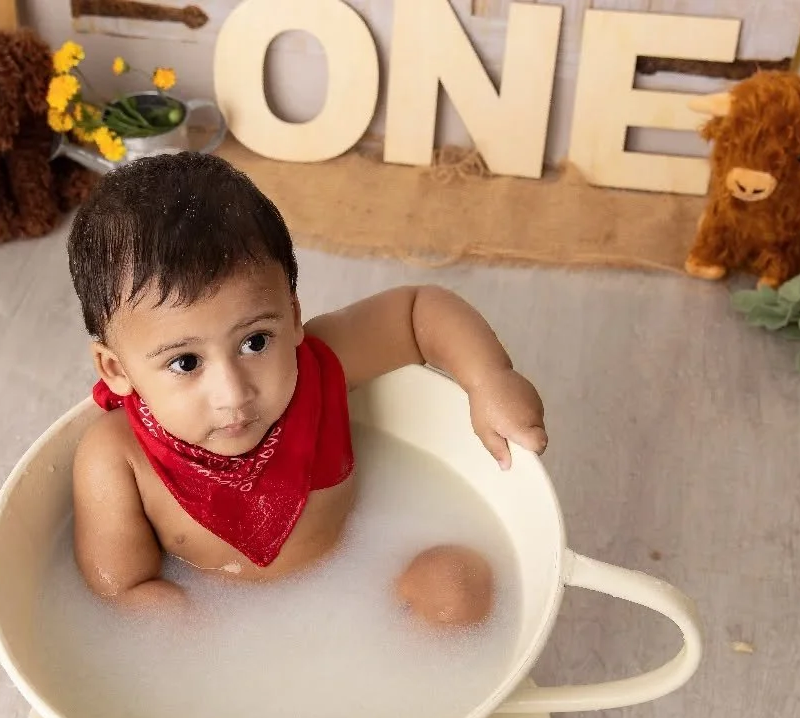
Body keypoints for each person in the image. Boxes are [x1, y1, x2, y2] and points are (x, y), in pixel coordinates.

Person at [67, 152, 547, 619]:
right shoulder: (115, 458)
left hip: (370, 582)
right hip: (229, 628)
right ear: (116, 370)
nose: (233, 393)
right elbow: (121, 588)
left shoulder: (321, 363)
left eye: (255, 341)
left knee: (457, 586)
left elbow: (419, 310)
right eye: (186, 362)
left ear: (293, 317)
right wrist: (196, 640)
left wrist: (489, 377)